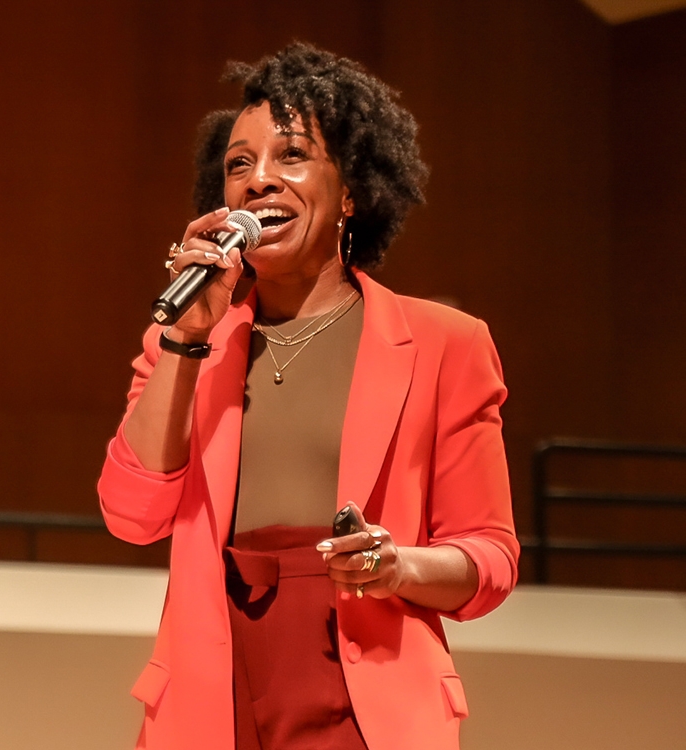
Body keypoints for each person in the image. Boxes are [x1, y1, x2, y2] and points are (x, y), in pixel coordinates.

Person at [98, 43, 517, 749]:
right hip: (213, 694)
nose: (259, 179)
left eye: (291, 156)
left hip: (365, 700)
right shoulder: (185, 341)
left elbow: (491, 558)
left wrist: (396, 565)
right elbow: (131, 517)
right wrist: (185, 341)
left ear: (350, 190)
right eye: (239, 164)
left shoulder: (446, 343)